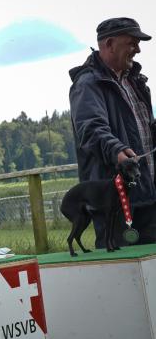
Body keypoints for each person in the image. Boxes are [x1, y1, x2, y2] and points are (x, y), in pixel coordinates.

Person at [69, 17, 156, 249]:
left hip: (148, 195)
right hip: (114, 200)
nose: (137, 49)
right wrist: (117, 151)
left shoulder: (135, 82)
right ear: (109, 44)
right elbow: (91, 129)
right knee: (122, 275)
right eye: (132, 43)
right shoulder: (88, 84)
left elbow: (145, 130)